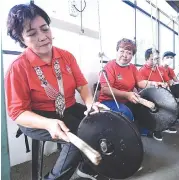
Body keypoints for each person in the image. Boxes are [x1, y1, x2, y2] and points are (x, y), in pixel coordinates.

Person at [5, 3, 108, 180]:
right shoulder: (18, 67)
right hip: (36, 116)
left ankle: (85, 167)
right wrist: (48, 123)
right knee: (77, 139)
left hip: (67, 108)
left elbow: (82, 85)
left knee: (99, 123)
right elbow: (17, 112)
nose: (43, 37)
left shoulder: (66, 56)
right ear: (22, 39)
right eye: (32, 34)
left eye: (45, 29)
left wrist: (90, 102)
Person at [98, 38, 156, 139]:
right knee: (125, 112)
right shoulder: (110, 66)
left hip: (127, 99)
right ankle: (129, 138)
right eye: (122, 51)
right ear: (117, 51)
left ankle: (142, 130)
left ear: (132, 56)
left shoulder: (132, 67)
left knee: (145, 106)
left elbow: (140, 82)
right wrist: (126, 94)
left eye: (129, 53)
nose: (125, 55)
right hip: (109, 101)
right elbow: (105, 89)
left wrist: (154, 83)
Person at [138, 48, 177, 141]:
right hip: (149, 96)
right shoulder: (142, 70)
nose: (155, 61)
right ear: (146, 59)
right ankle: (155, 129)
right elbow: (141, 86)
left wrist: (166, 84)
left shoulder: (161, 69)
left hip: (161, 94)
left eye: (157, 59)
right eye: (153, 59)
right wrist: (154, 83)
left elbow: (167, 81)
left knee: (171, 102)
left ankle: (166, 125)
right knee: (155, 104)